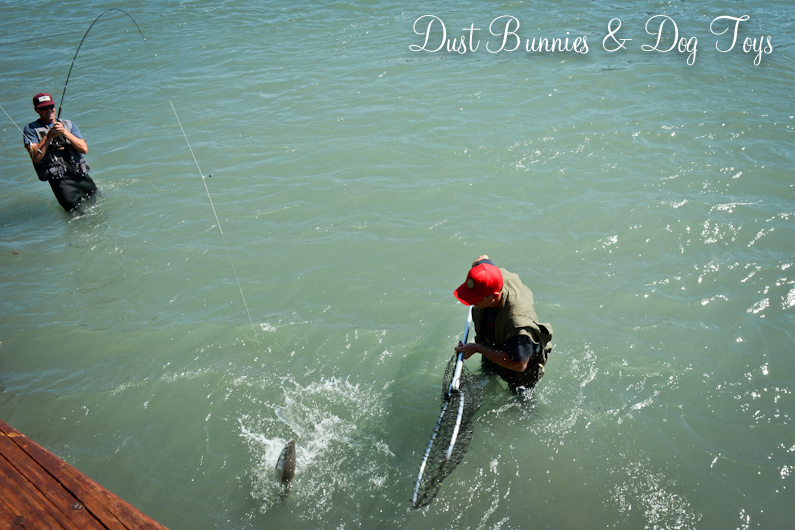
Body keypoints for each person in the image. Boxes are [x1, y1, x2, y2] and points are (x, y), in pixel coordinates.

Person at [453, 255, 553, 393]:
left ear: (495, 296)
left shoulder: (517, 325)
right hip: (494, 343)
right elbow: (482, 258)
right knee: (487, 370)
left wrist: (477, 348)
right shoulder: (488, 274)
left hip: (520, 370)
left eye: (476, 300)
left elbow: (520, 365)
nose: (471, 302)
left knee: (520, 397)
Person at [23, 92, 96, 212]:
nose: (49, 110)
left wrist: (64, 132)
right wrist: (49, 136)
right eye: (44, 108)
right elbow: (35, 158)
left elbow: (84, 149)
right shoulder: (30, 129)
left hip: (80, 173)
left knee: (95, 199)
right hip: (60, 180)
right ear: (36, 110)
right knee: (73, 211)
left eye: (51, 106)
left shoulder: (69, 124)